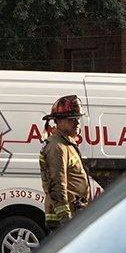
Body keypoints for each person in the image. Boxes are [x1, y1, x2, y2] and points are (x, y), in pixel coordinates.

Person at [39, 94, 92, 233]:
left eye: (78, 118)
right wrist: (66, 222)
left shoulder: (66, 144)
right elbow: (56, 186)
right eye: (72, 119)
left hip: (74, 216)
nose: (77, 123)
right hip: (64, 221)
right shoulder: (57, 147)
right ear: (59, 121)